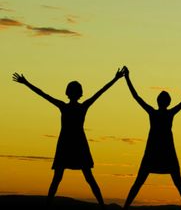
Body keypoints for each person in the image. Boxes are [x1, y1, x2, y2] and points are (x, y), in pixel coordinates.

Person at [12, 68, 125, 209]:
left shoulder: (67, 106)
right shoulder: (78, 106)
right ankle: (101, 205)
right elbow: (100, 92)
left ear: (69, 93)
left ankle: (100, 205)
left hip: (71, 144)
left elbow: (43, 94)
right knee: (78, 178)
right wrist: (115, 79)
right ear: (78, 93)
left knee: (68, 178)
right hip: (73, 144)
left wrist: (26, 82)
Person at [122, 67, 181, 210]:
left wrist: (127, 78)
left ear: (159, 101)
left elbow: (136, 96)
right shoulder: (167, 113)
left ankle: (125, 207)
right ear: (167, 102)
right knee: (177, 183)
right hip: (161, 151)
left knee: (141, 182)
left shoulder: (155, 112)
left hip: (160, 151)